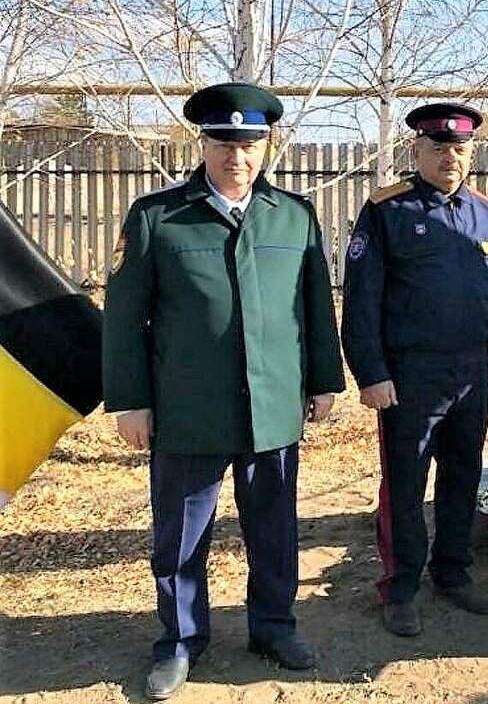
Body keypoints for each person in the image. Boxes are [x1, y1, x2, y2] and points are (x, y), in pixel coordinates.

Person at [102, 82, 345, 700]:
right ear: (202, 142)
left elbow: (314, 305)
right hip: (188, 408)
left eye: (249, 142)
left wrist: (323, 381)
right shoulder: (158, 217)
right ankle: (181, 642)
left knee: (274, 530)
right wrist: (130, 400)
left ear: (267, 145)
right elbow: (125, 316)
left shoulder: (294, 215)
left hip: (272, 408)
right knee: (180, 536)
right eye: (223, 141)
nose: (236, 154)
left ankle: (273, 626)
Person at [341, 102, 488, 638]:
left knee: (462, 474)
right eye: (439, 146)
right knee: (404, 481)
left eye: (460, 147)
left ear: (472, 153)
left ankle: (451, 571)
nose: (450, 156)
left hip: (471, 373)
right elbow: (361, 301)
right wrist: (371, 373)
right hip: (409, 376)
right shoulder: (386, 211)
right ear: (416, 150)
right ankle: (400, 586)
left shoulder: (487, 215)